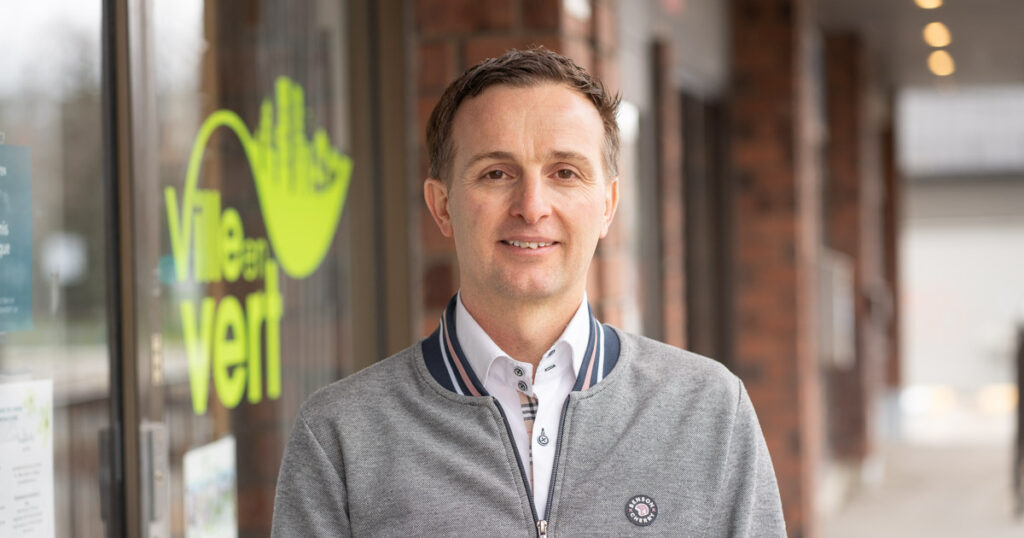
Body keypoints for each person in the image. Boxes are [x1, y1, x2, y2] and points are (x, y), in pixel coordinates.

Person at [271, 47, 786, 537]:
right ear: (442, 206)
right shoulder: (340, 436)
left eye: (565, 173)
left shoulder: (709, 411)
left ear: (608, 205)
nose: (532, 206)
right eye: (496, 173)